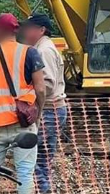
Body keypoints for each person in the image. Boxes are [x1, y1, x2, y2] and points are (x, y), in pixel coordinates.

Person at [0, 13, 46, 194]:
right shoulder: (29, 52)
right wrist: (37, 114)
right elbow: (41, 89)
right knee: (24, 173)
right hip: (22, 122)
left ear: (0, 31)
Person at [21, 14, 67, 194]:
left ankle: (43, 191)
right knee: (43, 160)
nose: (26, 31)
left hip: (48, 109)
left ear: (41, 30)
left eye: (29, 27)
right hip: (54, 109)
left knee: (37, 159)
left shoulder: (43, 50)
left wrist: (27, 98)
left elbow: (46, 84)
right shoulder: (43, 47)